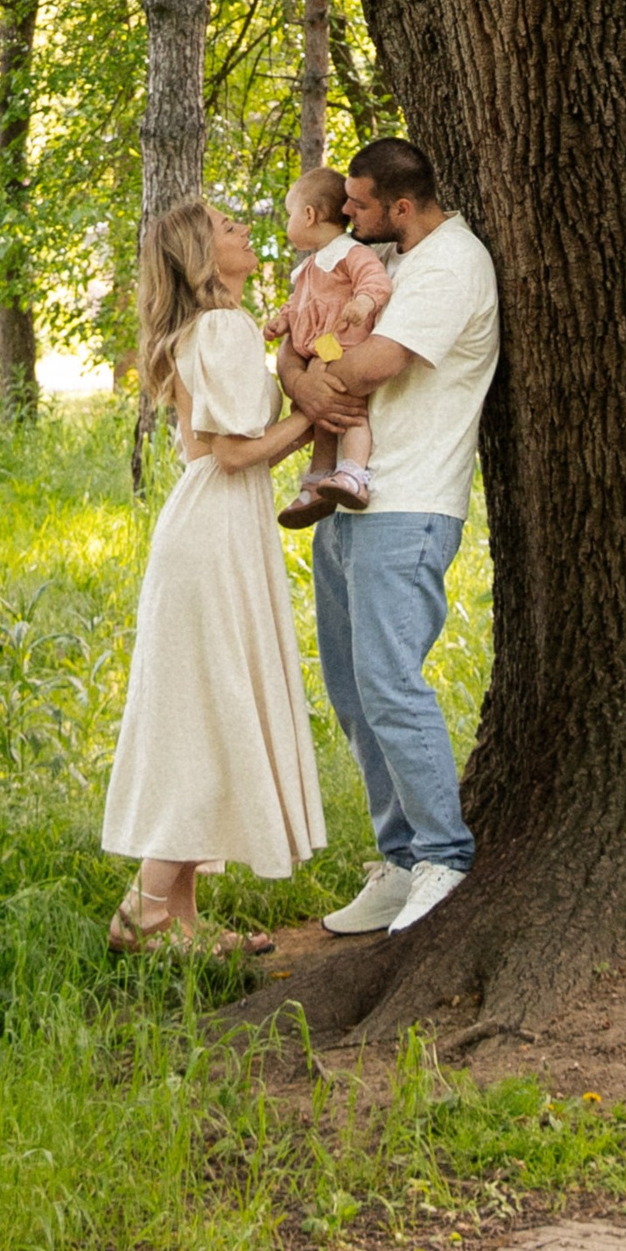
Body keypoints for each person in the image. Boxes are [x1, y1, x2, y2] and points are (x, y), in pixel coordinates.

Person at [276, 135, 497, 939]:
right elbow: (308, 343)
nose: (347, 213)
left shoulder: (450, 265)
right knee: (352, 690)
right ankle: (400, 857)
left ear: (401, 206)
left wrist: (308, 375)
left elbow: (376, 363)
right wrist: (299, 375)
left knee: (391, 685)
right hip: (350, 500)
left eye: (360, 205)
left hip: (408, 504)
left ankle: (444, 855)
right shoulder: (390, 261)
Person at [101, 194, 327, 951]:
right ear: (204, 256)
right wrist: (315, 419)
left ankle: (180, 923)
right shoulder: (223, 327)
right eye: (228, 228)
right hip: (216, 528)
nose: (244, 232)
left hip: (202, 528)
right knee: (210, 711)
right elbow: (231, 452)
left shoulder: (201, 330)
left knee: (199, 711)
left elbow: (204, 450)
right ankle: (143, 906)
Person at [269, 163, 394, 528]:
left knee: (348, 407)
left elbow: (377, 282)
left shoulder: (350, 254)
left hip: (345, 345)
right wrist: (283, 320)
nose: (288, 222)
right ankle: (319, 480)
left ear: (309, 215)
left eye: (290, 214)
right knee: (325, 415)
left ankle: (354, 473)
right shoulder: (309, 268)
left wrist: (364, 303)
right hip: (320, 351)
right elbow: (299, 304)